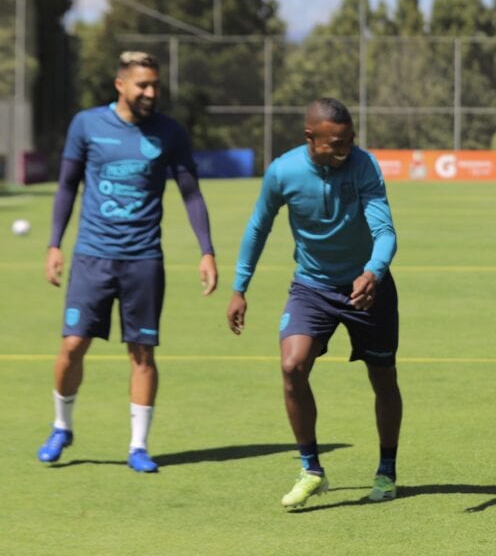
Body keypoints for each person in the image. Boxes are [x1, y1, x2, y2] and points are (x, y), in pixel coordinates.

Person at [38, 51, 218, 473]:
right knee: (72, 345)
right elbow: (66, 186)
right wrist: (53, 244)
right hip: (92, 257)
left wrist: (206, 250)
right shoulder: (86, 124)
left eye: (155, 84)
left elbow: (191, 193)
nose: (151, 92)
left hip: (143, 260)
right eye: (143, 85)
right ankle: (61, 426)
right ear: (120, 85)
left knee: (142, 353)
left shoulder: (169, 132)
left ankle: (138, 446)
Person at [226, 98, 402, 508]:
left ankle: (387, 471)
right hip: (312, 288)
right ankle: (311, 470)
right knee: (292, 366)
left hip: (367, 288)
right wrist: (240, 287)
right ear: (311, 137)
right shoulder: (283, 172)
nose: (346, 149)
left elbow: (386, 231)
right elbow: (258, 227)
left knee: (383, 378)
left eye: (350, 140)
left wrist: (373, 271)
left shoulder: (364, 166)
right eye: (336, 143)